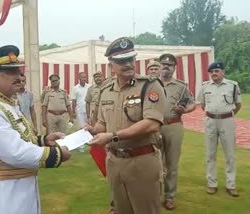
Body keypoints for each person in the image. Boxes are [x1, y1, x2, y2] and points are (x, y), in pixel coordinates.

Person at [0, 45, 71, 214]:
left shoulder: (7, 103)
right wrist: (57, 155)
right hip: (3, 193)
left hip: (19, 187)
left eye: (18, 71)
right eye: (10, 72)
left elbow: (18, 137)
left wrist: (43, 140)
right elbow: (14, 152)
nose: (18, 76)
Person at [86, 37, 166, 214]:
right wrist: (91, 131)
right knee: (120, 210)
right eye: (122, 61)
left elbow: (151, 124)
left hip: (142, 161)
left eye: (131, 59)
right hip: (114, 162)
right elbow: (102, 124)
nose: (128, 64)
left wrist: (113, 136)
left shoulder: (149, 86)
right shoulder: (106, 90)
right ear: (111, 66)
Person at [197, 62, 241, 197]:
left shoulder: (232, 85)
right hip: (210, 121)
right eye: (212, 72)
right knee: (210, 154)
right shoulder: (205, 86)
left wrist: (225, 114)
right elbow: (203, 104)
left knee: (230, 155)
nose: (214, 74)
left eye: (217, 71)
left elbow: (238, 105)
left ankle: (231, 185)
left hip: (227, 121)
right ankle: (212, 184)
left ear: (223, 72)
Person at [159, 53, 196, 210]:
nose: (166, 67)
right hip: (154, 127)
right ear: (159, 66)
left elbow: (193, 103)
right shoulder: (151, 84)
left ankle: (169, 197)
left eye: (170, 65)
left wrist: (185, 110)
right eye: (164, 64)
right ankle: (154, 195)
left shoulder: (181, 86)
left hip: (174, 126)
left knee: (172, 164)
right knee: (154, 164)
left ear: (174, 68)